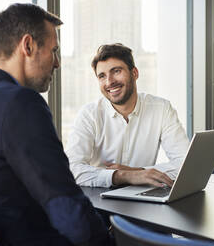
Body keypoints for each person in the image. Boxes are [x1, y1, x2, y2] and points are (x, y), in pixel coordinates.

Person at [0, 3, 112, 246]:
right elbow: (66, 206)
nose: (57, 63)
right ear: (28, 46)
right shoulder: (21, 103)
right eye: (54, 50)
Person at [66, 43, 190, 188]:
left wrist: (138, 172)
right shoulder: (89, 114)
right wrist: (122, 176)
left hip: (142, 199)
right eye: (102, 76)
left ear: (135, 73)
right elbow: (71, 169)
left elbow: (186, 164)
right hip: (98, 200)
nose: (109, 82)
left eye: (116, 71)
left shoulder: (161, 109)